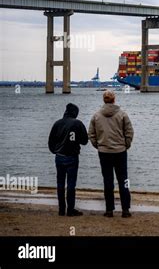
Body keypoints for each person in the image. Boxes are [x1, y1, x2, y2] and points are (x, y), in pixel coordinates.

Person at [88, 90, 134, 218]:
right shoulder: (122, 115)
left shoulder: (96, 116)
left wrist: (98, 146)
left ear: (104, 100)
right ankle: (125, 210)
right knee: (123, 180)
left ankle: (109, 210)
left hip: (104, 152)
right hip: (120, 152)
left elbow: (91, 134)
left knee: (107, 181)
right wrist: (126, 145)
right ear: (114, 100)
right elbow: (129, 132)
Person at [48, 103, 88, 216]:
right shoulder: (78, 123)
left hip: (59, 157)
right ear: (75, 113)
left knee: (60, 183)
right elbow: (85, 141)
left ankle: (61, 209)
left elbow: (51, 142)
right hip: (72, 157)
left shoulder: (57, 123)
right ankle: (70, 209)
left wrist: (55, 151)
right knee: (71, 184)